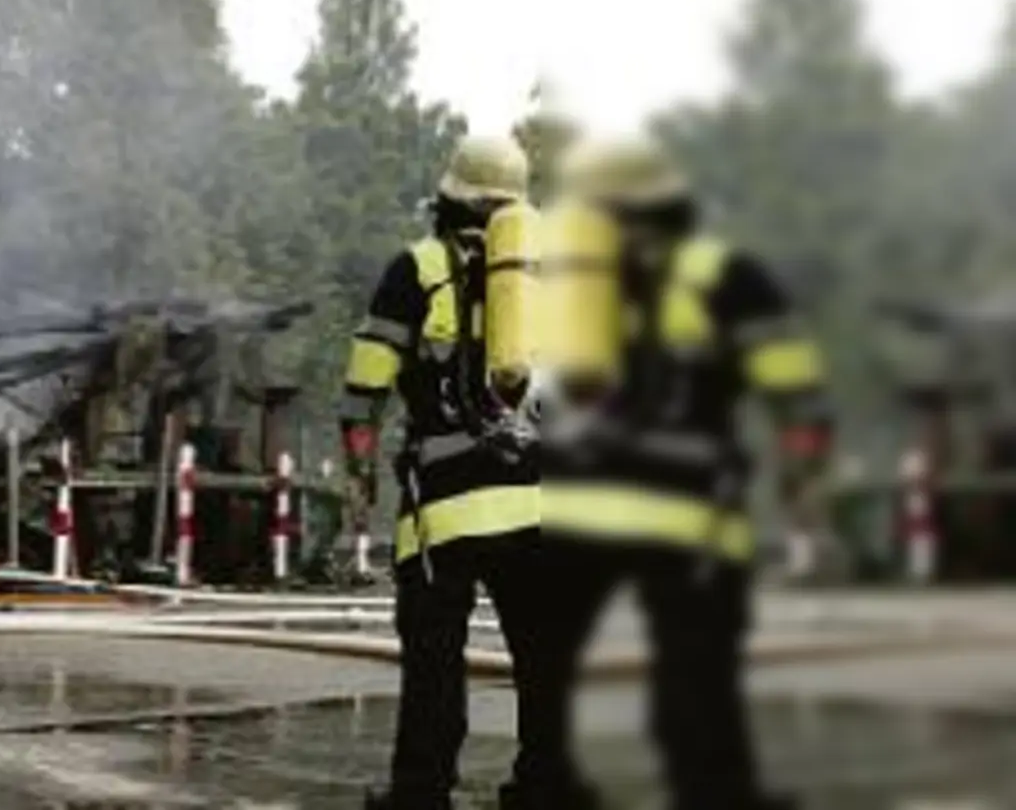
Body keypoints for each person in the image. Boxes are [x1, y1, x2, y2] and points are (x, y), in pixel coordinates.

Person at [535, 136, 832, 810]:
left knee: (544, 692)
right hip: (687, 517)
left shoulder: (571, 281)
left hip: (569, 513)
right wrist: (803, 481)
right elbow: (797, 396)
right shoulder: (728, 275)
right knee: (695, 694)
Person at [341, 135, 553, 809]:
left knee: (435, 661)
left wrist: (360, 478)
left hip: (443, 507)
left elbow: (364, 389)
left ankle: (422, 792)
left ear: (449, 196)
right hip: (533, 503)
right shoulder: (544, 277)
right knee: (545, 657)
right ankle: (546, 788)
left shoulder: (415, 268)